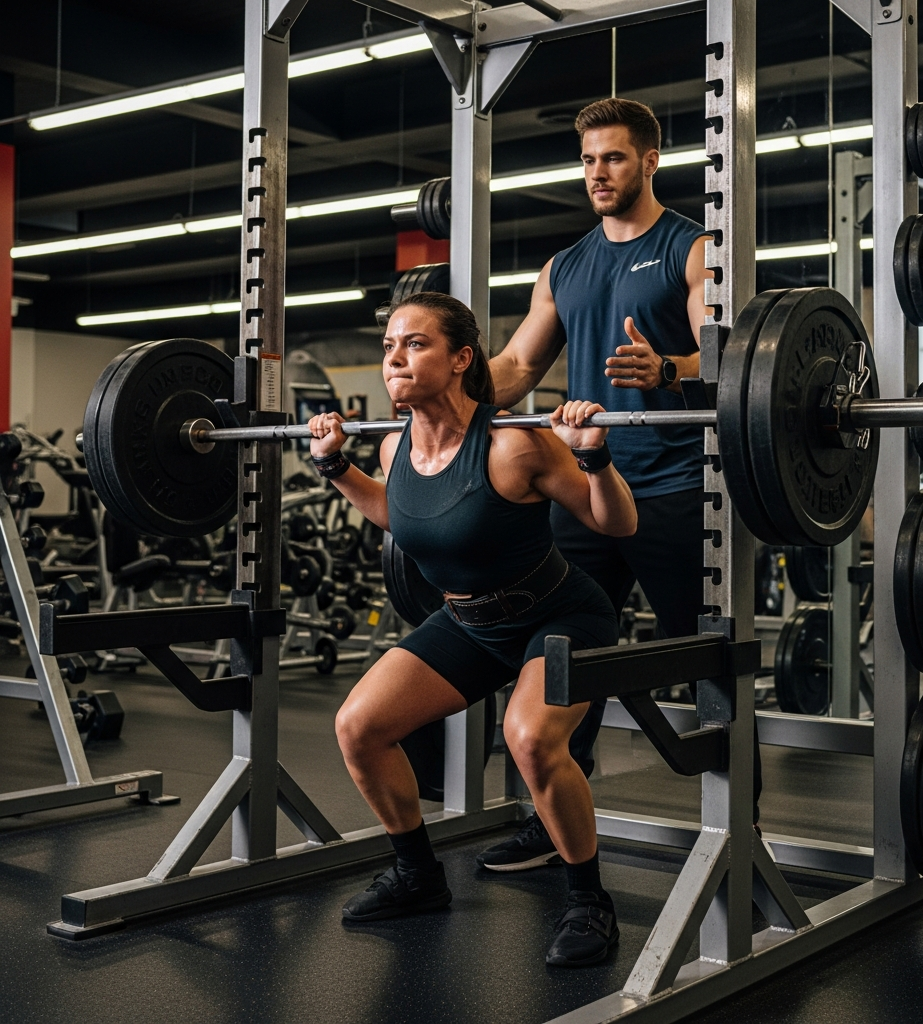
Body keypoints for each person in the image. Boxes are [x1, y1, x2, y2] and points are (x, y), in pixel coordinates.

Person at [308, 290, 637, 967]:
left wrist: (595, 455)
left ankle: (587, 902)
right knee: (359, 727)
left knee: (531, 740)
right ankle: (418, 876)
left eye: (415, 344)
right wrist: (338, 468)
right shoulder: (398, 446)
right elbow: (404, 518)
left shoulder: (516, 442)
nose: (394, 358)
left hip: (560, 615)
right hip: (470, 622)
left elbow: (617, 524)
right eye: (389, 346)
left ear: (462, 359)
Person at [479, 97, 763, 871]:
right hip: (584, 488)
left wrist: (669, 367)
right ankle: (550, 823)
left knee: (709, 660)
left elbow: (729, 359)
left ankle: (741, 827)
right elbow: (516, 367)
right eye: (587, 161)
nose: (597, 174)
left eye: (612, 158)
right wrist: (448, 391)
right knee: (559, 658)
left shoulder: (691, 249)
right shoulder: (562, 267)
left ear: (649, 161)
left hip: (677, 491)